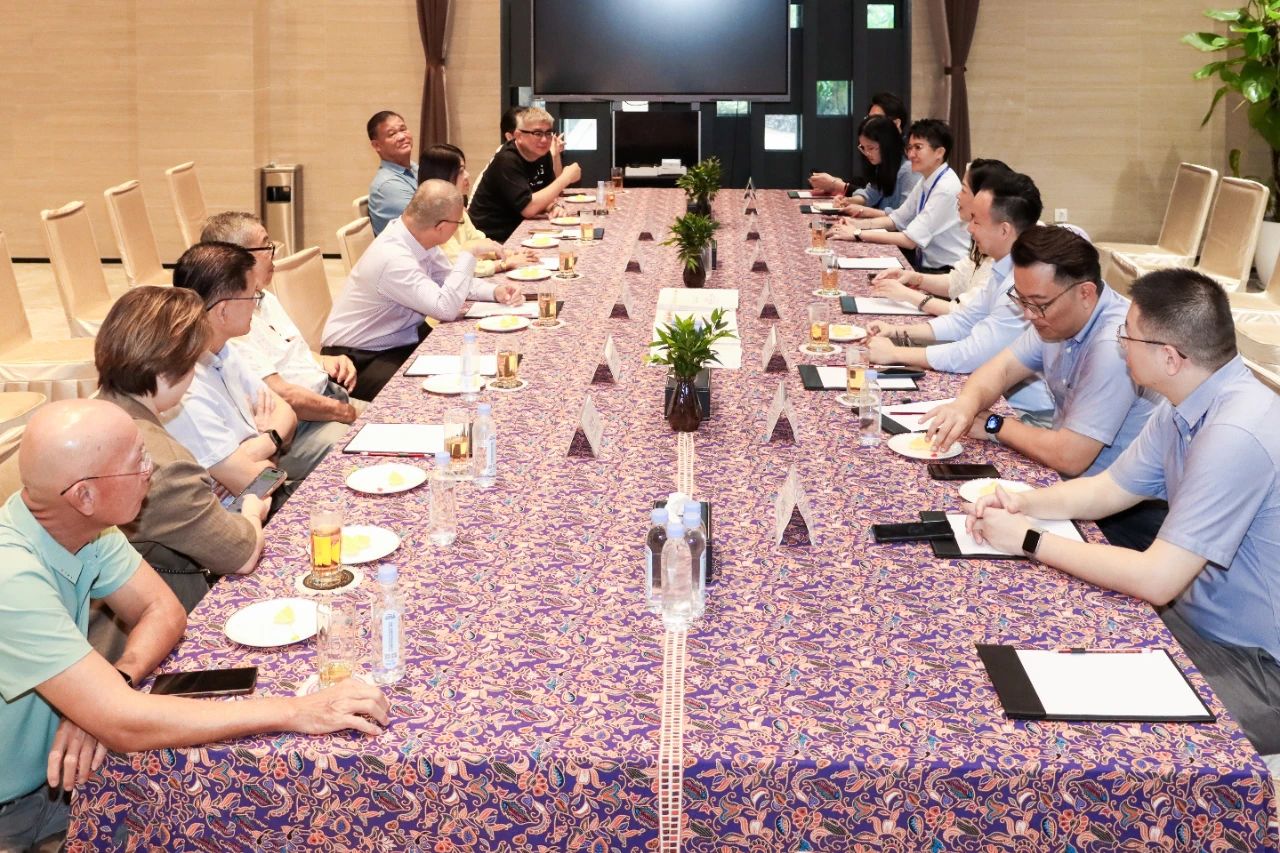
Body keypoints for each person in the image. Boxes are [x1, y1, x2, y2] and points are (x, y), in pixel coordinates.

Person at [0, 399, 389, 850]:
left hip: (69, 773)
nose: (150, 470)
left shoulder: (79, 526)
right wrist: (296, 710)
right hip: (18, 808)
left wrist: (107, 690)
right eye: (137, 462)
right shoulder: (12, 578)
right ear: (83, 496)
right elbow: (124, 723)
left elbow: (163, 610)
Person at [966, 268, 1280, 756]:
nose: (1120, 343)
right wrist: (1021, 501)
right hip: (1191, 621)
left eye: (1127, 335)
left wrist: (1029, 539)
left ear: (1169, 357)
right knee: (1038, 644)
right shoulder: (1185, 400)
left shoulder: (1236, 432)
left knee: (1086, 737)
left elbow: (1156, 579)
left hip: (1257, 667)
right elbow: (1110, 489)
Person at [923, 225, 1163, 548]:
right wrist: (965, 405)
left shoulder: (1113, 345)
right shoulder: (1055, 317)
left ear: (1085, 293)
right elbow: (1000, 369)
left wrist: (995, 424)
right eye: (1021, 300)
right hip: (1073, 489)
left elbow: (1069, 456)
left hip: (1119, 515)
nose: (1027, 314)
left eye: (1038, 304)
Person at [95, 287, 266, 613]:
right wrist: (252, 512)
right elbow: (240, 556)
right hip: (161, 609)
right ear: (165, 372)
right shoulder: (162, 463)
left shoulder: (93, 412)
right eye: (192, 366)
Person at [864, 170, 1055, 418]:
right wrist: (897, 332)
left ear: (1004, 230)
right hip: (994, 393)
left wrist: (896, 353)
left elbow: (974, 353)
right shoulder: (1003, 266)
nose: (969, 229)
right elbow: (964, 321)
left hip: (1025, 411)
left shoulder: (1022, 281)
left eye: (976, 221)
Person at [321, 180, 524, 401]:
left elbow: (451, 282)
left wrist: (495, 291)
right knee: (434, 394)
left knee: (473, 358)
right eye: (459, 222)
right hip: (356, 359)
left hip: (400, 338)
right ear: (441, 226)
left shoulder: (416, 237)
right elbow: (445, 308)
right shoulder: (393, 257)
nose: (459, 227)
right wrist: (468, 253)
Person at [163, 243, 306, 497]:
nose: (256, 305)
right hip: (243, 513)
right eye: (252, 296)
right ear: (223, 311)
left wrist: (265, 440)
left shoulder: (226, 351)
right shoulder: (185, 390)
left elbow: (287, 413)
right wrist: (273, 443)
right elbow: (258, 485)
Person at [865, 158, 1011, 316]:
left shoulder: (1003, 249)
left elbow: (966, 314)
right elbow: (956, 281)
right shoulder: (984, 235)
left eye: (963, 190)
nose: (958, 195)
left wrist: (908, 295)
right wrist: (913, 278)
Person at [829, 118, 969, 272]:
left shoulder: (945, 188)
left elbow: (910, 240)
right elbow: (896, 219)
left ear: (939, 152)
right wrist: (856, 224)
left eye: (918, 147)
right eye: (909, 148)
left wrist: (857, 233)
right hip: (926, 264)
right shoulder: (926, 180)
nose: (911, 154)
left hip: (946, 271)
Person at [418, 143, 539, 277]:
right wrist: (504, 264)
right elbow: (457, 266)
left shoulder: (457, 209)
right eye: (460, 171)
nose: (467, 175)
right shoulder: (434, 217)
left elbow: (478, 242)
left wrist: (507, 253)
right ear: (442, 176)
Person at [468, 106, 583, 243]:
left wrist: (553, 206)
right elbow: (528, 208)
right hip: (492, 238)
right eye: (537, 133)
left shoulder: (543, 154)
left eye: (548, 133)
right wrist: (565, 178)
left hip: (520, 229)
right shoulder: (507, 161)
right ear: (518, 136)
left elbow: (547, 194)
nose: (545, 140)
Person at [366, 110, 418, 235]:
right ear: (377, 145)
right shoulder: (388, 185)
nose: (401, 137)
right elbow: (428, 222)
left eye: (403, 129)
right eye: (392, 134)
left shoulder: (414, 167)